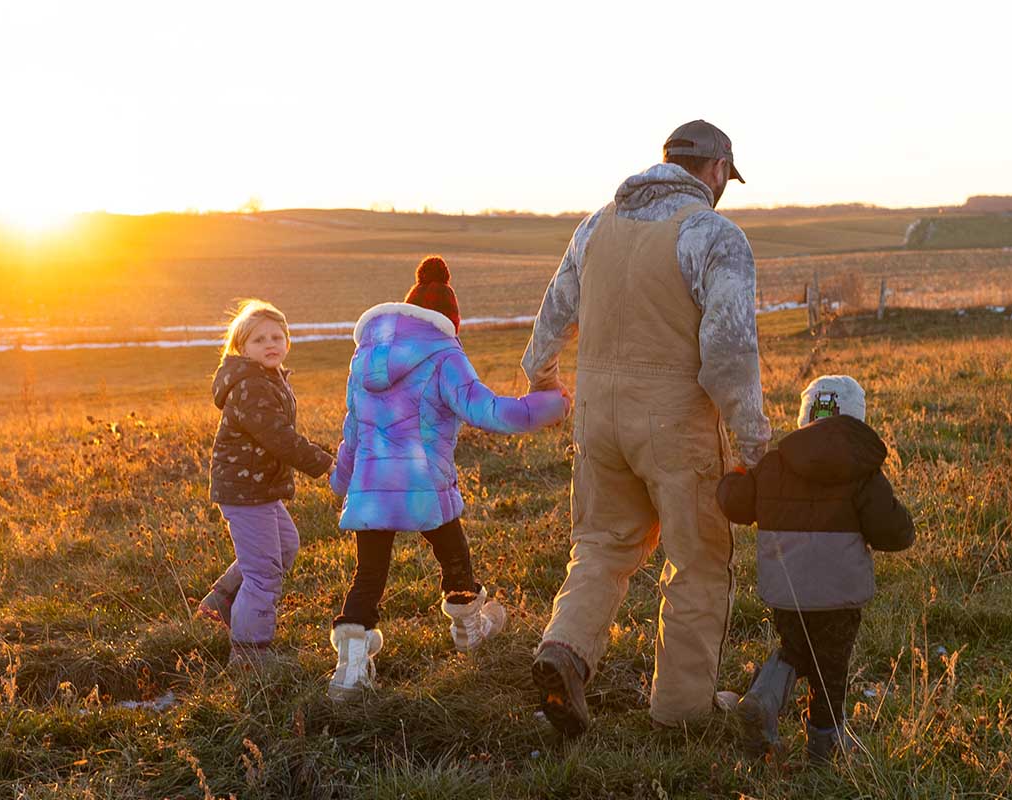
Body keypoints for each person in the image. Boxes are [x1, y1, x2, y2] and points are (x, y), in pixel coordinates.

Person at [523, 120, 772, 735]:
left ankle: (566, 650)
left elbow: (553, 313)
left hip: (596, 418)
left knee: (603, 546)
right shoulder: (714, 234)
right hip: (675, 421)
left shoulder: (595, 225)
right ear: (717, 169)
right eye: (726, 178)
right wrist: (753, 441)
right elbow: (729, 351)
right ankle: (680, 713)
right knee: (696, 561)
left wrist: (543, 380)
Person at [326, 256, 568, 701]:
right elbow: (489, 410)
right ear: (448, 323)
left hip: (372, 494)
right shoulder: (445, 355)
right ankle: (468, 629)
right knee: (453, 555)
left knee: (369, 574)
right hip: (426, 487)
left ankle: (350, 670)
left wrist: (342, 482)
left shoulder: (363, 361)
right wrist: (552, 404)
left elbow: (354, 430)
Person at [717, 375, 915, 763]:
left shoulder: (774, 463)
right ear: (858, 419)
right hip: (841, 596)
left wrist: (734, 478)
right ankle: (825, 744)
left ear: (805, 415)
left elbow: (737, 506)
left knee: (796, 648)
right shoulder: (863, 473)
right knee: (831, 663)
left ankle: (762, 698)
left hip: (786, 590)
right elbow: (893, 533)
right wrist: (905, 525)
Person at [198, 300, 334, 664]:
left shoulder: (269, 378)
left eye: (277, 336)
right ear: (242, 348)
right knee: (264, 572)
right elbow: (280, 439)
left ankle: (221, 602)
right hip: (245, 491)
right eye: (259, 340)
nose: (271, 344)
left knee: (286, 546)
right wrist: (326, 465)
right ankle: (249, 654)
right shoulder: (250, 386)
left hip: (260, 488)